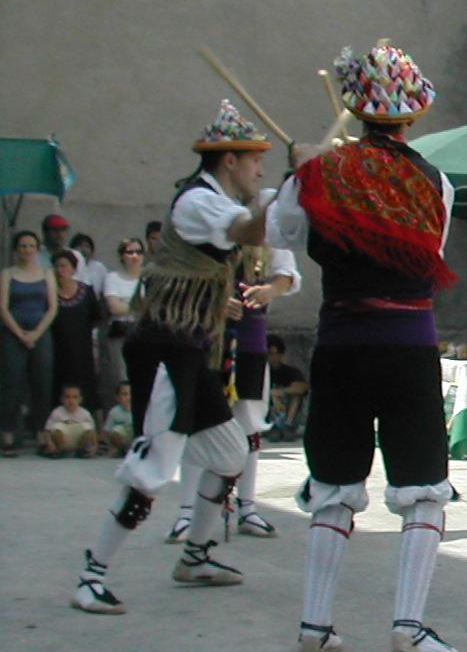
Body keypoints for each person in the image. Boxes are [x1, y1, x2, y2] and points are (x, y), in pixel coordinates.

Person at [267, 42, 462, 652]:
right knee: (423, 489)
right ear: (414, 114)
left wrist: (305, 173)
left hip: (341, 343)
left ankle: (314, 625)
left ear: (355, 110)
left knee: (333, 485)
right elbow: (431, 252)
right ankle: (409, 627)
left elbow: (278, 233)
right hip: (408, 344)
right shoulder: (436, 181)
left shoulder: (319, 173)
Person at [68, 101, 274, 615]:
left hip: (190, 349)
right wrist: (297, 183)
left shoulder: (215, 200)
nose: (259, 171)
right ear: (229, 160)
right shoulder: (199, 202)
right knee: (153, 467)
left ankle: (195, 556)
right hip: (163, 350)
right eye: (254, 161)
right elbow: (251, 230)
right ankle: (92, 576)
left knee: (229, 454)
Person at [168, 234, 299, 542]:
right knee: (197, 423)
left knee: (249, 424)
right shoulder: (207, 223)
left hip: (250, 340)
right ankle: (187, 512)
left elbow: (286, 273)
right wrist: (212, 300)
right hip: (205, 339)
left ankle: (247, 508)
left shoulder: (265, 229)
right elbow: (179, 276)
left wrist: (269, 290)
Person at [2, 230, 58, 454]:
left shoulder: (47, 273)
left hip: (40, 333)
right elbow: (2, 307)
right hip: (12, 333)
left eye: (31, 246)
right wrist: (20, 334)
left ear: (37, 249)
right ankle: (7, 434)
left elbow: (52, 307)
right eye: (23, 246)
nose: (27, 250)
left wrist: (35, 334)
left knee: (42, 383)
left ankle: (42, 433)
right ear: (16, 249)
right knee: (11, 382)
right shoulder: (7, 274)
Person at [49, 249, 102, 418]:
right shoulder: (49, 292)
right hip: (57, 348)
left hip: (82, 348)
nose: (60, 270)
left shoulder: (86, 292)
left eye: (64, 266)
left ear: (73, 268)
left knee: (85, 383)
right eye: (56, 266)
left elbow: (96, 317)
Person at [101, 237, 145, 405]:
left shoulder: (150, 277)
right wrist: (140, 303)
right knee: (122, 377)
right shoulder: (113, 277)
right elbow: (114, 308)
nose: (135, 256)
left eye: (139, 252)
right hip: (121, 333)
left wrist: (126, 303)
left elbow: (154, 306)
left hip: (145, 332)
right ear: (122, 255)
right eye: (130, 252)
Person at [266, 334, 308, 438]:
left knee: (295, 395)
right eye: (270, 354)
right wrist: (272, 395)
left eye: (277, 354)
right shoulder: (261, 373)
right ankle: (273, 427)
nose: (274, 357)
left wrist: (282, 392)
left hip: (288, 411)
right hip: (269, 411)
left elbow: (302, 388)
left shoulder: (291, 372)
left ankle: (287, 425)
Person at [41, 383, 98, 457]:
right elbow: (47, 431)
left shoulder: (85, 413)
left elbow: (93, 433)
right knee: (56, 429)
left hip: (78, 442)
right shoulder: (57, 412)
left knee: (88, 429)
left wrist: (95, 447)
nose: (71, 400)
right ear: (62, 399)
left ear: (80, 399)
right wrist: (50, 444)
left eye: (75, 397)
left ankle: (80, 450)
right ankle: (58, 451)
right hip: (62, 442)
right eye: (67, 397)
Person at [103, 380, 135, 456]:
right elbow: (107, 431)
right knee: (116, 431)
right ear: (117, 397)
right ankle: (123, 450)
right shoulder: (114, 412)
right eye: (124, 394)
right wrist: (110, 446)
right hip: (122, 439)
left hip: (134, 437)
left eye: (131, 394)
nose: (128, 397)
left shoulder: (141, 411)